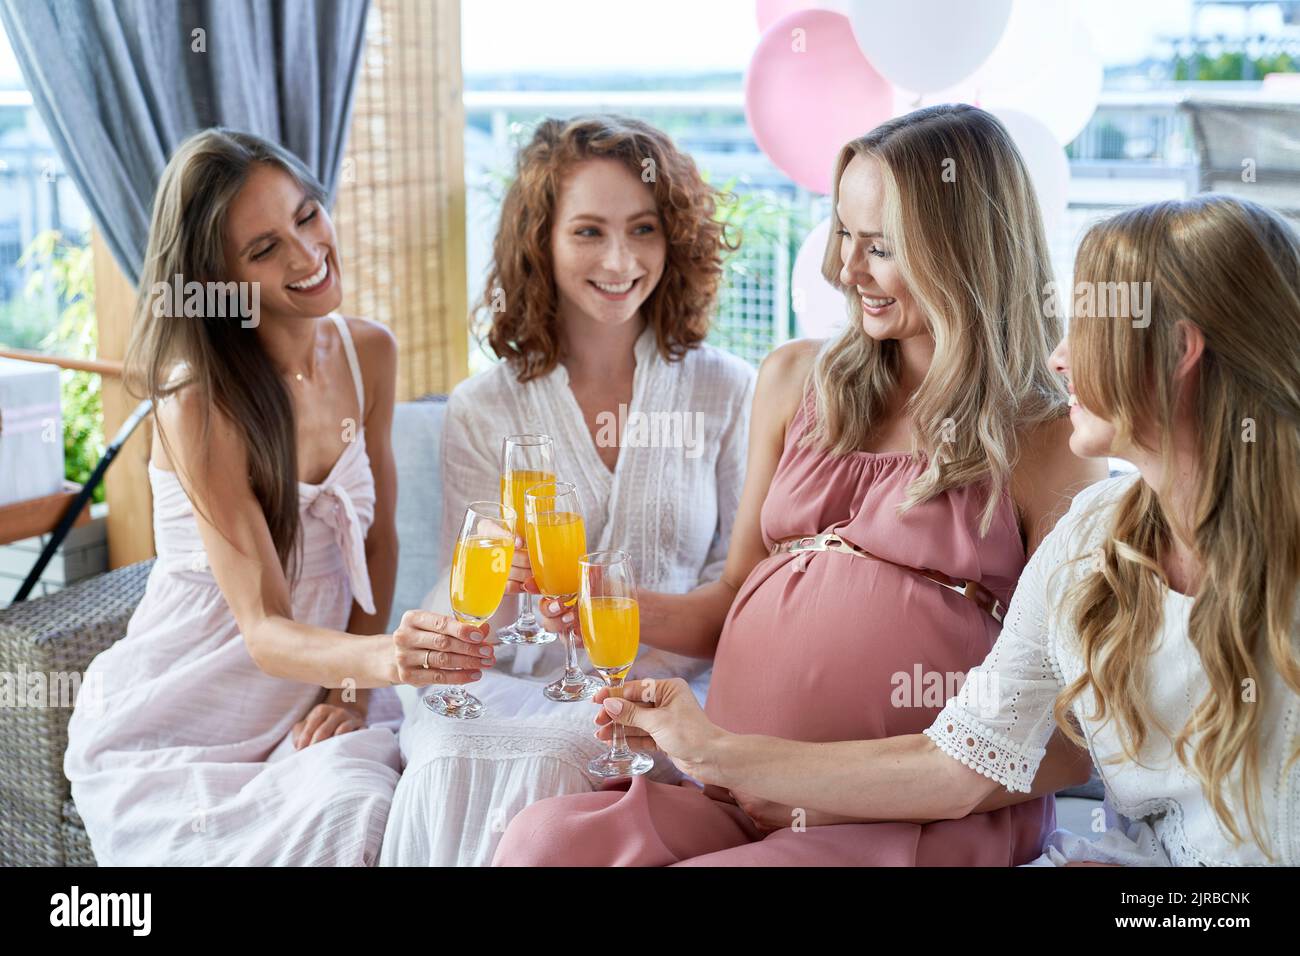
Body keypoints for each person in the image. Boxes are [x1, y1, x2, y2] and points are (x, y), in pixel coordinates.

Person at [506, 194, 1300, 867]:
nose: (1061, 360)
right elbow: (964, 757)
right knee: (542, 838)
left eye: (1089, 323)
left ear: (1180, 350)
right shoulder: (1096, 540)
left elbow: (1031, 756)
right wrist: (715, 751)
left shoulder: (1056, 457)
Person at [496, 104, 1108, 866]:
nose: (844, 269)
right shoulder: (795, 378)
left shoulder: (1052, 440)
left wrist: (836, 783)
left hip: (901, 825)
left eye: (879, 246)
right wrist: (595, 601)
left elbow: (1076, 743)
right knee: (540, 843)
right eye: (844, 234)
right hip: (733, 791)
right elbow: (732, 599)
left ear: (964, 251)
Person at [64, 129, 466, 865]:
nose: (308, 254)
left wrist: (348, 686)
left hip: (320, 689)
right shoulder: (199, 404)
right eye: (264, 249)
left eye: (307, 215)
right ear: (218, 279)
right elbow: (262, 626)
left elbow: (374, 546)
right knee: (354, 819)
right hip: (191, 710)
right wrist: (385, 659)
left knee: (394, 807)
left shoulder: (367, 351)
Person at [380, 115, 755, 866]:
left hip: (668, 693)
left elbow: (739, 606)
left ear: (672, 238)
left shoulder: (727, 391)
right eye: (588, 231)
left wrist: (606, 607)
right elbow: (476, 598)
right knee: (449, 751)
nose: (620, 259)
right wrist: (496, 590)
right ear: (540, 243)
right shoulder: (485, 407)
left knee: (565, 749)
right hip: (515, 679)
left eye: (642, 228)